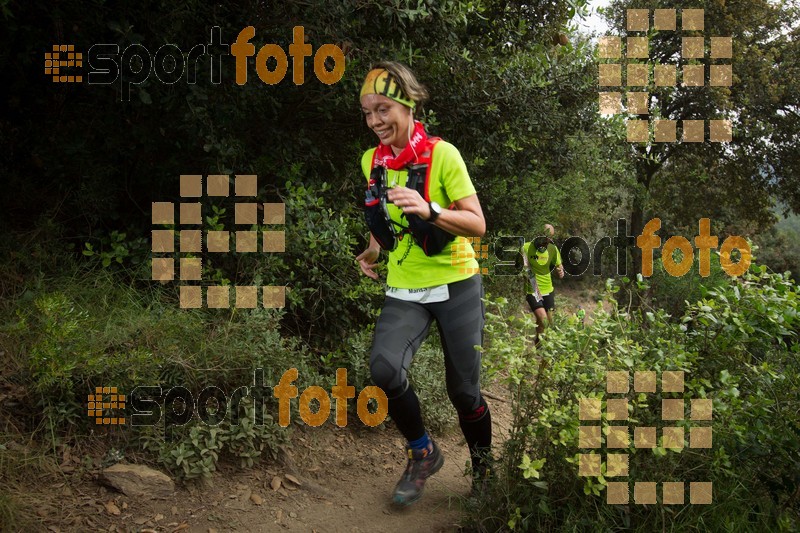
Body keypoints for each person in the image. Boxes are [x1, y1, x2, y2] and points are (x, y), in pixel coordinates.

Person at [355, 61, 492, 506]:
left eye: (383, 108)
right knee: (384, 369)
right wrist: (375, 248)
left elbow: (477, 224)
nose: (375, 121)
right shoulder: (371, 161)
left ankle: (484, 470)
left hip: (457, 283)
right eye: (367, 111)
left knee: (464, 391)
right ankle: (423, 454)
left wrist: (430, 209)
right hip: (406, 286)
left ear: (408, 104)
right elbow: (385, 215)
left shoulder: (444, 155)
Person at [522, 225, 564, 343]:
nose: (547, 241)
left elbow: (559, 267)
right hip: (533, 290)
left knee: (547, 323)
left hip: (548, 290)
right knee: (543, 319)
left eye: (549, 238)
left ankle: (539, 346)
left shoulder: (552, 249)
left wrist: (560, 271)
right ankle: (540, 348)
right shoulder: (525, 248)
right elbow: (525, 271)